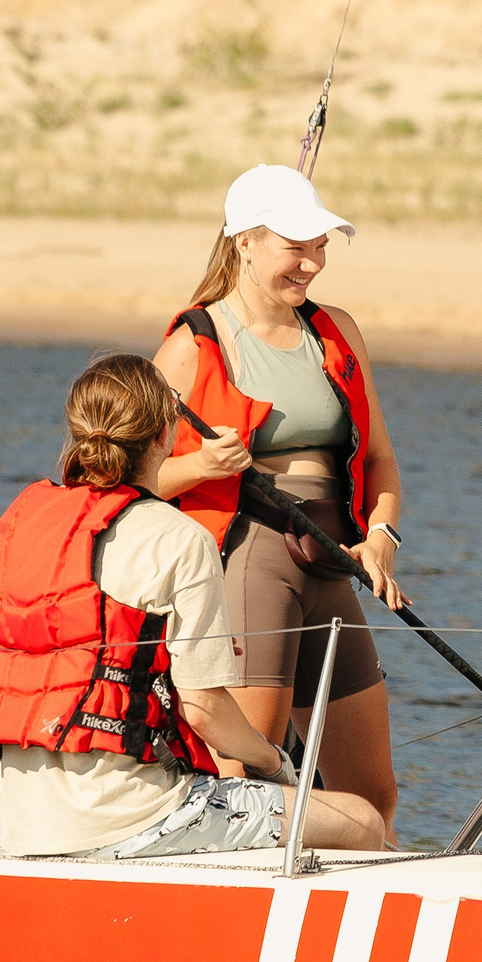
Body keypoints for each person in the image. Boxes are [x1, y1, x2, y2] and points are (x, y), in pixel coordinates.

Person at [0, 353, 391, 858]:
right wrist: (276, 765)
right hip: (135, 820)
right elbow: (204, 708)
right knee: (361, 819)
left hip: (23, 820)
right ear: (165, 435)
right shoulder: (180, 538)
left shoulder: (23, 524)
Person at [155, 164, 406, 842]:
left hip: (331, 563)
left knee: (372, 799)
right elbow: (132, 480)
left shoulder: (337, 331)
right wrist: (202, 464)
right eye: (297, 247)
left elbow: (380, 459)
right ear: (244, 241)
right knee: (248, 784)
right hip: (248, 563)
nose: (314, 262)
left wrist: (382, 536)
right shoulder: (191, 345)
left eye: (320, 245)